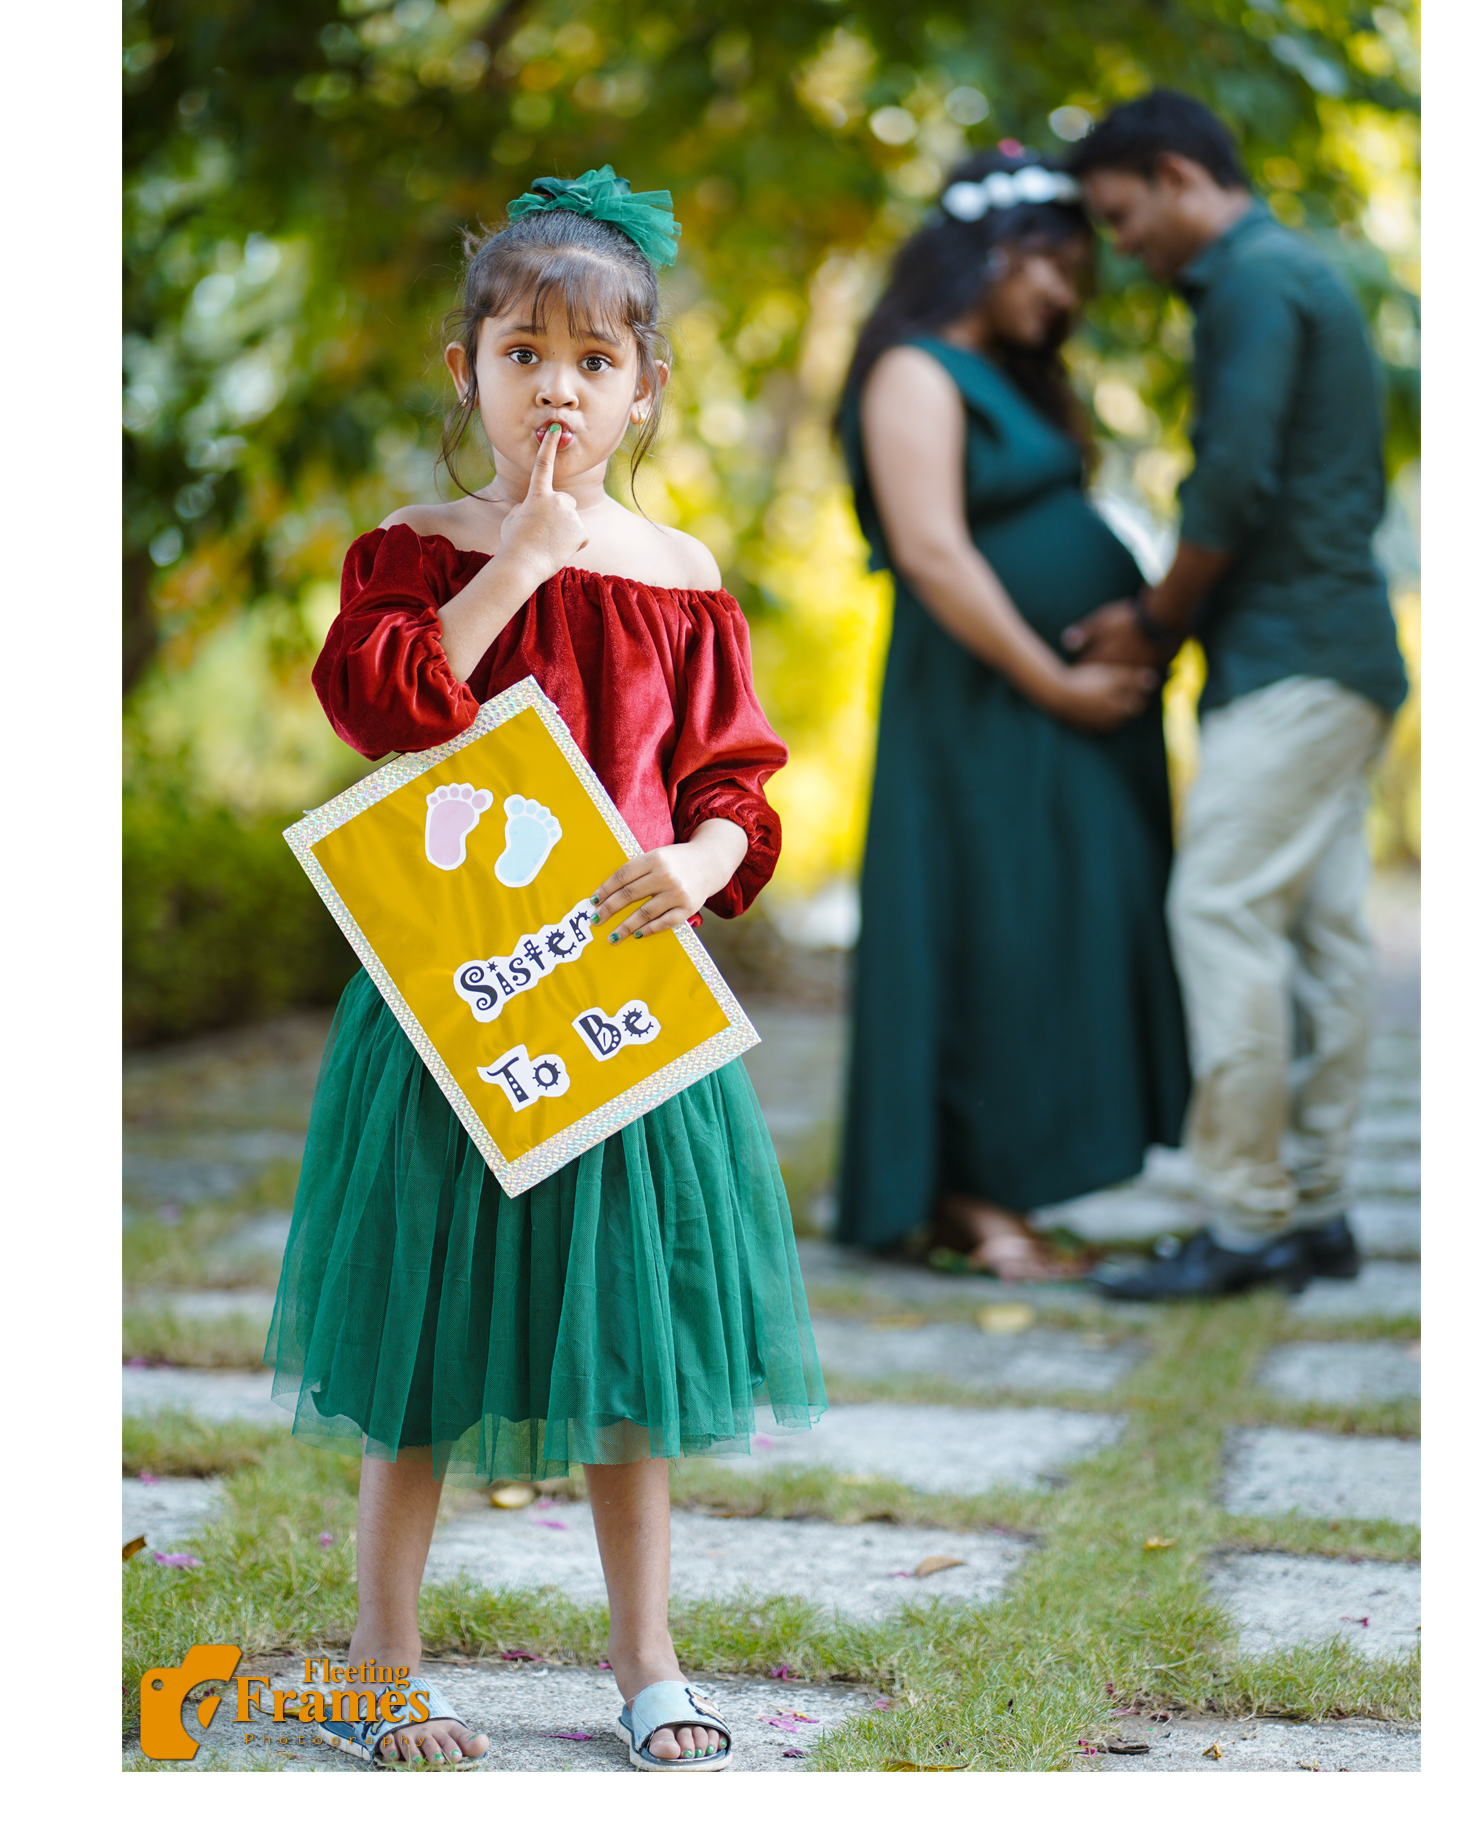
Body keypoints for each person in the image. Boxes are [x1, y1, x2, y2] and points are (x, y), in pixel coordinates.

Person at [277, 167, 824, 1770]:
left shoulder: (683, 577)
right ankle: (382, 1660)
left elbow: (733, 778)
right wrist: (519, 556)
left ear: (645, 384)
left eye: (595, 362)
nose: (559, 390)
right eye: (525, 356)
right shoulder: (413, 552)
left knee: (634, 1343)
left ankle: (648, 1659)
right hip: (457, 1002)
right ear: (469, 374)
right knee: (422, 1340)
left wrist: (710, 859)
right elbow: (387, 708)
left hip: (621, 1007)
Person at [1061, 92, 1410, 1301]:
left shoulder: (1253, 280)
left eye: (1121, 216)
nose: (1121, 249)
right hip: (1341, 653)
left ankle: (1250, 1218)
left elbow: (1230, 486)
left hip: (1293, 659)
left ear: (1175, 176)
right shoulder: (1295, 274)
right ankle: (1314, 1211)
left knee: (1218, 907)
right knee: (1319, 935)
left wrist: (1155, 622)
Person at [826, 150, 1190, 1278]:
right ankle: (967, 1199)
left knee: (1056, 924)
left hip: (1050, 704)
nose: (1069, 296)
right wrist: (1055, 680)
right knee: (985, 922)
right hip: (982, 702)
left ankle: (1007, 1178)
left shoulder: (1014, 379)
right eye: (1057, 266)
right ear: (990, 250)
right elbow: (933, 552)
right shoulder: (912, 372)